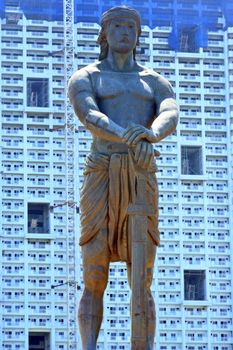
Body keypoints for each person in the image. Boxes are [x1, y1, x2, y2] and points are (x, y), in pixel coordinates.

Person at [68, 6, 179, 349]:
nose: (124, 32)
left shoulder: (153, 80)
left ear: (138, 34)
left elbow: (170, 111)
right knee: (94, 269)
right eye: (116, 26)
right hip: (102, 171)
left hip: (141, 174)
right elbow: (89, 114)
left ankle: (142, 344)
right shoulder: (87, 76)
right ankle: (88, 345)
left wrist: (151, 136)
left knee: (142, 275)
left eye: (131, 26)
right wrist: (131, 136)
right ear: (104, 34)